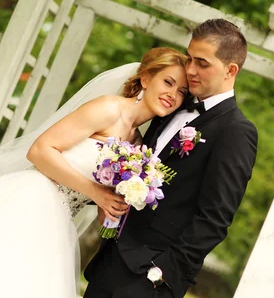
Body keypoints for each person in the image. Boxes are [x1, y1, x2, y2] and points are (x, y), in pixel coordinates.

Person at [84, 19, 259, 298]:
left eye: (202, 63)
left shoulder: (236, 132)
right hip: (112, 259)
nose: (190, 70)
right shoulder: (174, 105)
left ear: (231, 70)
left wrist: (161, 275)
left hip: (149, 279)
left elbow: (215, 218)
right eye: (189, 59)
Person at [0, 47, 189, 298]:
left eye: (181, 92)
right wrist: (96, 192)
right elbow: (39, 150)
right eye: (168, 82)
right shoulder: (109, 109)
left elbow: (104, 218)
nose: (172, 94)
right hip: (32, 198)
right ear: (145, 78)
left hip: (59, 220)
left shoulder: (137, 147)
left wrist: (116, 207)